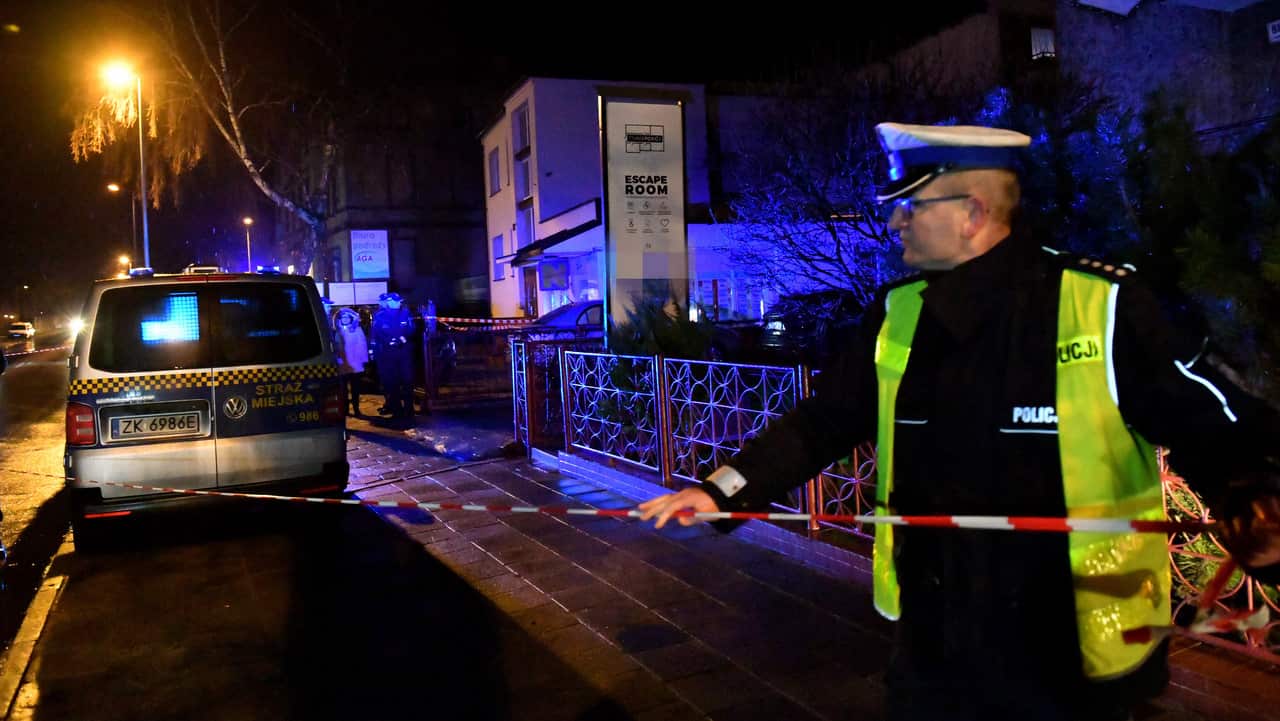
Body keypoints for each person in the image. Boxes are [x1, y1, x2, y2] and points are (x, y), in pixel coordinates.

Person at [639, 122, 1280, 721]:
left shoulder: (1099, 303)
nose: (894, 221)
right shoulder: (897, 314)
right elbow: (824, 420)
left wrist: (1250, 496)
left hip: (1072, 659)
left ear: (972, 213)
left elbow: (1211, 424)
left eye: (910, 206)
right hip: (935, 647)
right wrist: (722, 491)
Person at [370, 291, 415, 423]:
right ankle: (397, 411)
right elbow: (375, 333)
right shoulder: (380, 316)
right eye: (395, 302)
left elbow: (411, 329)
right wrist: (386, 342)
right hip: (388, 353)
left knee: (407, 382)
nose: (397, 304)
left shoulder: (405, 313)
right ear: (389, 303)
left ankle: (409, 411)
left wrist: (402, 339)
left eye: (398, 301)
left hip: (404, 353)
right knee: (392, 383)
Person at [332, 305, 369, 417]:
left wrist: (363, 360)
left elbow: (362, 345)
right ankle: (345, 409)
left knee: (355, 389)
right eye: (343, 317)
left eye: (347, 317)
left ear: (350, 318)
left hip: (355, 365)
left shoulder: (357, 330)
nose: (345, 319)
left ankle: (356, 409)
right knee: (343, 390)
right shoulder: (337, 331)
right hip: (343, 365)